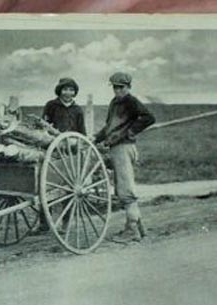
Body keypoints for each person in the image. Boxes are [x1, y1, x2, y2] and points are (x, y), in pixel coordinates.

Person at [94, 72, 155, 242]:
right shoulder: (115, 102)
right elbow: (109, 127)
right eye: (115, 87)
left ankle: (132, 231)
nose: (117, 90)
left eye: (121, 87)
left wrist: (129, 132)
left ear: (128, 87)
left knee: (125, 190)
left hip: (124, 147)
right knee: (122, 186)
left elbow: (149, 118)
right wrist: (96, 137)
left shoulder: (130, 101)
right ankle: (139, 229)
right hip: (116, 147)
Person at [33, 78, 85, 234]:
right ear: (59, 91)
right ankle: (44, 224)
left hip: (71, 153)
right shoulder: (51, 105)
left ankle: (65, 223)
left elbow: (82, 132)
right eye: (65, 89)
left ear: (75, 92)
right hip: (52, 151)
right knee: (45, 185)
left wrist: (77, 144)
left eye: (71, 90)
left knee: (69, 188)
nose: (68, 93)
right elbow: (44, 126)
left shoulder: (78, 110)